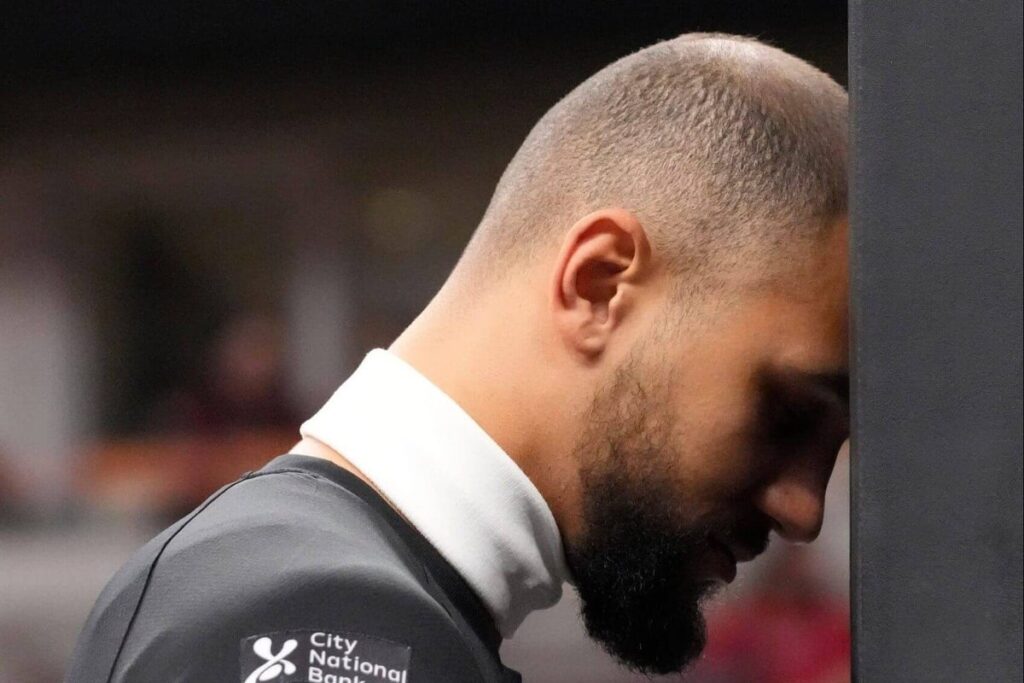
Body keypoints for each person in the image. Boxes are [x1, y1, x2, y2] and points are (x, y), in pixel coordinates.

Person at [67, 32, 850, 682]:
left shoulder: (325, 601)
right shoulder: (324, 625)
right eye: (784, 412)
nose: (804, 508)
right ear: (600, 285)